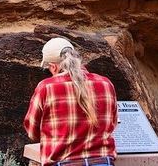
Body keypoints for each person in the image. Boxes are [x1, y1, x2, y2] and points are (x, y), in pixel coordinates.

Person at [24, 37, 118, 166]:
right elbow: (112, 124)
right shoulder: (105, 83)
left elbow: (33, 130)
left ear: (53, 67)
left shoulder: (46, 87)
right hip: (102, 162)